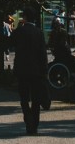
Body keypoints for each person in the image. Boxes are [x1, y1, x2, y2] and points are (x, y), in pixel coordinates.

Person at [12, 8, 48, 136]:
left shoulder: (19, 31)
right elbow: (43, 54)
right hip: (37, 71)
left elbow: (11, 42)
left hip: (22, 70)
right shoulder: (39, 33)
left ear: (25, 18)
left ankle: (28, 120)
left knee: (24, 98)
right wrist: (44, 70)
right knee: (36, 99)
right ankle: (35, 125)